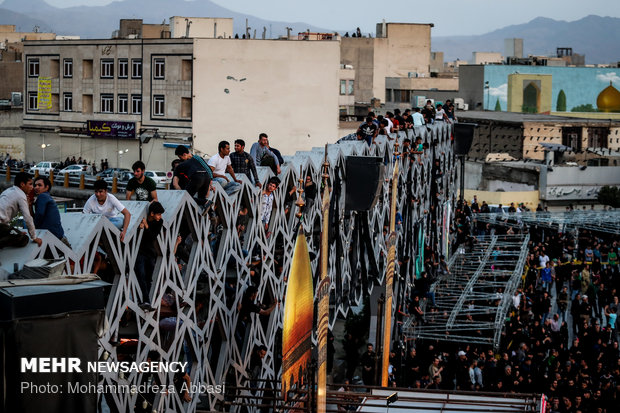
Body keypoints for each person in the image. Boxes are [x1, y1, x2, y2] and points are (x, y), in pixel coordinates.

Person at [135, 201, 165, 310]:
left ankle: (146, 300)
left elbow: (153, 237)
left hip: (150, 253)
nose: (160, 217)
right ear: (152, 213)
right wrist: (140, 228)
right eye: (158, 214)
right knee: (141, 275)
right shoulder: (141, 219)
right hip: (140, 252)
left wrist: (146, 227)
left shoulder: (159, 222)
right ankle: (145, 300)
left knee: (148, 278)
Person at [0, 172, 42, 247]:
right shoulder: (21, 196)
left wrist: (16, 232)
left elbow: (4, 216)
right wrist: (34, 237)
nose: (32, 187)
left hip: (2, 226)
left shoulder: (8, 191)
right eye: (30, 184)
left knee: (17, 233)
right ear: (22, 184)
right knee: (24, 239)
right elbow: (28, 218)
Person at [33, 176, 70, 247]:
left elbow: (39, 214)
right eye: (35, 185)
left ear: (46, 187)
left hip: (51, 236)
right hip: (59, 235)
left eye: (39, 185)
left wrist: (34, 227)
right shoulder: (48, 197)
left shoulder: (42, 196)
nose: (36, 187)